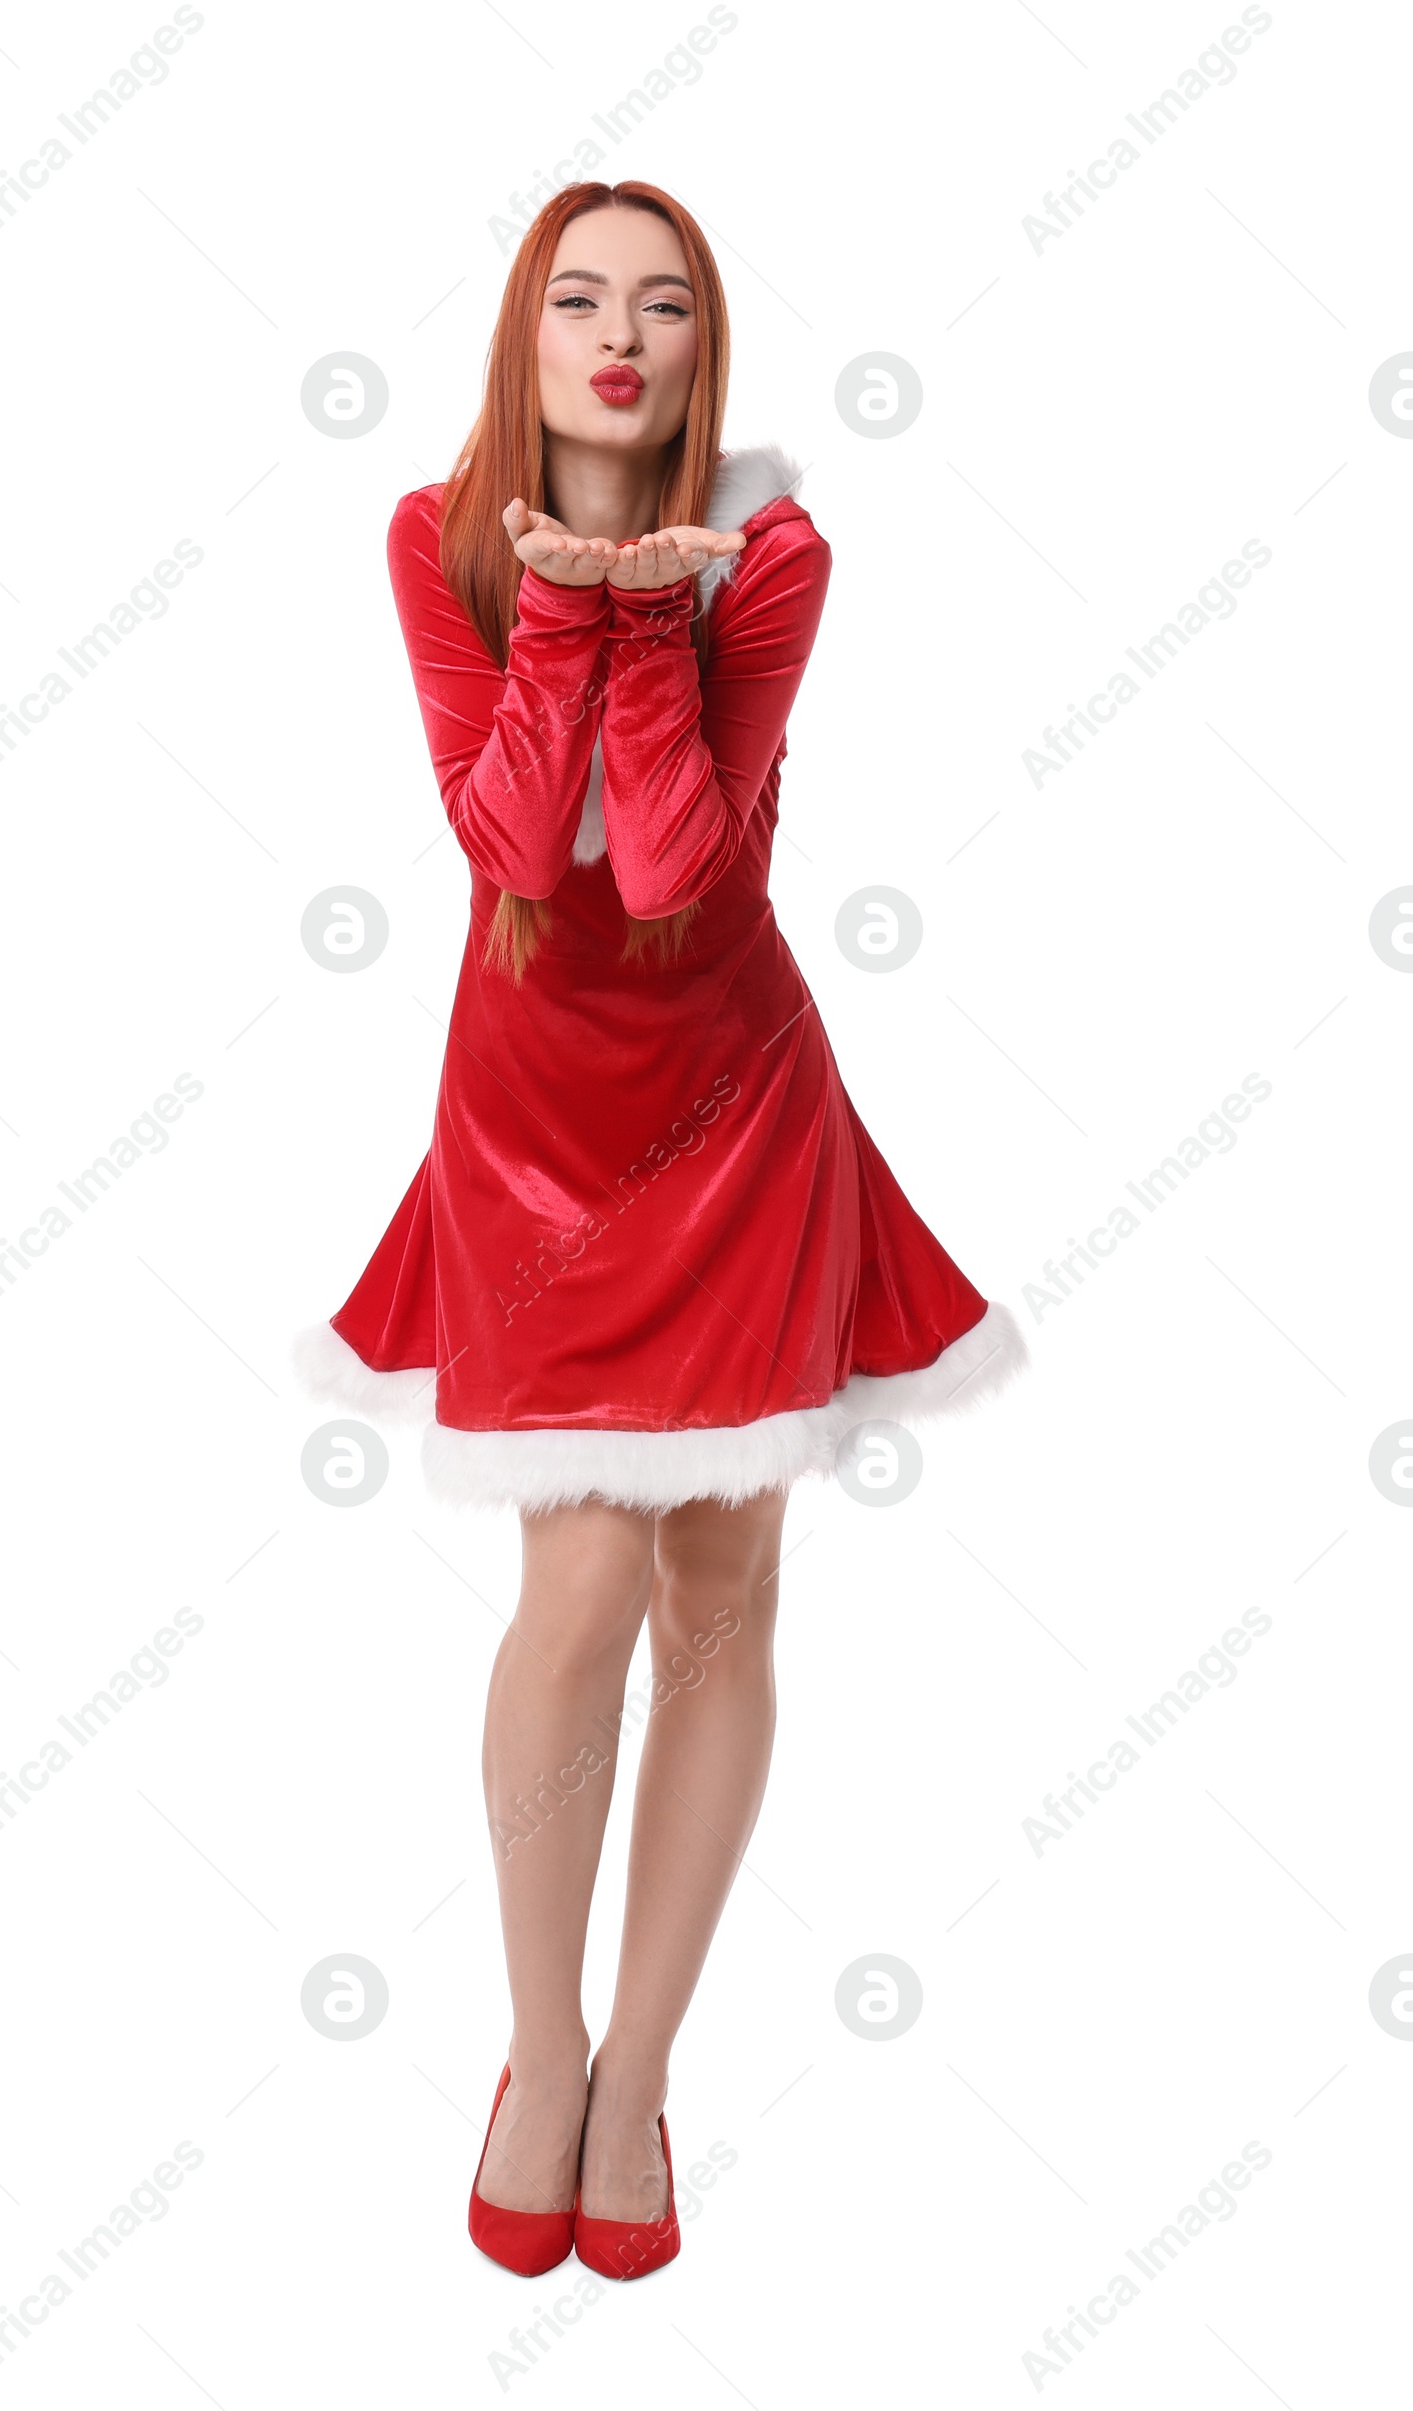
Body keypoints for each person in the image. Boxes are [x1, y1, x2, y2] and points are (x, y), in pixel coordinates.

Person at [295, 179, 1029, 2278]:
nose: (622, 338)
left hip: (732, 1112)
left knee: (720, 1566)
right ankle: (535, 2051)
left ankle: (640, 2066)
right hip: (529, 1128)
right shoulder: (433, 548)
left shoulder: (772, 557)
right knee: (579, 1565)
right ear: (523, 336)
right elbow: (520, 845)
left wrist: (651, 606)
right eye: (582, 303)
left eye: (668, 308)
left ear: (706, 349)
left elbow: (682, 871)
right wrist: (574, 603)